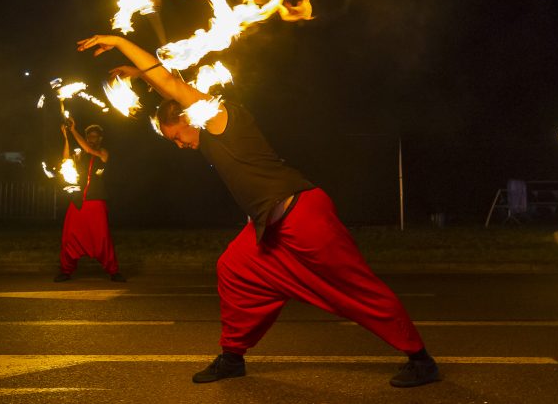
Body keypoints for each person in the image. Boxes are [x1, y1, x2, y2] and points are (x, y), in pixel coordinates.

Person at [76, 34, 439, 388]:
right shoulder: (205, 127)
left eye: (176, 137)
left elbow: (171, 85)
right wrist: (140, 77)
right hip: (271, 225)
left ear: (188, 118)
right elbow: (169, 89)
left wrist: (121, 42)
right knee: (233, 267)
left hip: (302, 214)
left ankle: (420, 359)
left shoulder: (219, 116)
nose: (180, 145)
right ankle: (232, 357)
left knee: (356, 288)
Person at [54, 117, 126, 282]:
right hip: (79, 202)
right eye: (89, 137)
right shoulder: (81, 155)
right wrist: (66, 136)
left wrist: (73, 130)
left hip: (96, 202)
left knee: (102, 238)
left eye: (94, 137)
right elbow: (66, 159)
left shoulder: (103, 153)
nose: (91, 140)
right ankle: (66, 271)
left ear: (100, 138)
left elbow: (88, 149)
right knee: (69, 237)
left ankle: (113, 271)